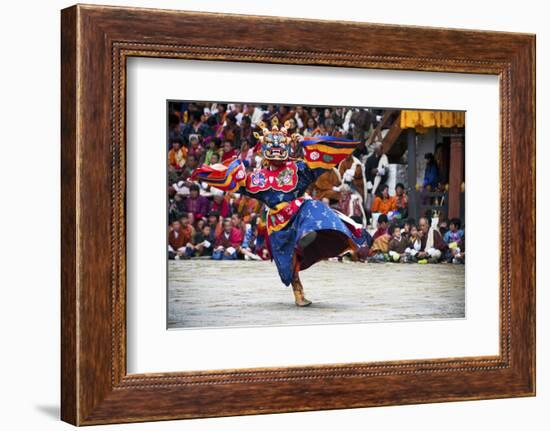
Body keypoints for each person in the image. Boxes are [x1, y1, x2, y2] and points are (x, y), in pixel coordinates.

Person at [192, 118, 366, 306]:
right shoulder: (258, 178)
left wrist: (305, 143)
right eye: (271, 145)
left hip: (299, 211)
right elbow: (237, 182)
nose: (276, 148)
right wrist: (214, 172)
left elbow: (318, 164)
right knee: (288, 261)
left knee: (314, 207)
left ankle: (306, 237)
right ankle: (298, 290)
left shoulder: (297, 168)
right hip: (278, 223)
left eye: (281, 144)